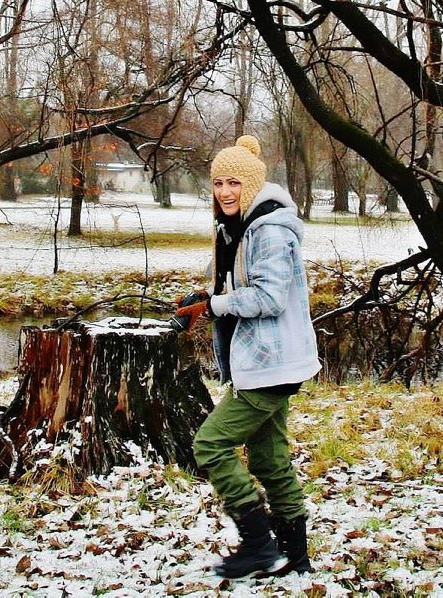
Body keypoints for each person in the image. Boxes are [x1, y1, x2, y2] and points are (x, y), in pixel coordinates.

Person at [174, 135, 322, 579]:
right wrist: (202, 297)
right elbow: (226, 282)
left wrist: (215, 306)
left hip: (270, 364)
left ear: (253, 185)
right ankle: (294, 557)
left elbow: (269, 297)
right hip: (264, 362)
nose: (225, 191)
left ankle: (259, 545)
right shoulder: (234, 228)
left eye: (234, 182)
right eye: (219, 182)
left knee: (209, 444)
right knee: (269, 461)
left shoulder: (269, 229)